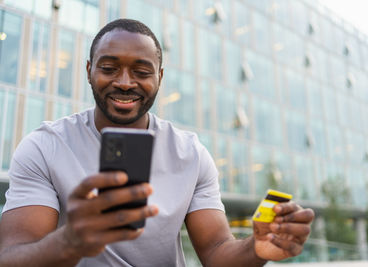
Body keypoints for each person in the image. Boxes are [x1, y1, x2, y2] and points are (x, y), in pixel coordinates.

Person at [0, 19, 314, 266]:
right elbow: (11, 256)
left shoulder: (191, 154)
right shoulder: (44, 147)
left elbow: (217, 252)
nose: (124, 82)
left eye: (141, 71)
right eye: (109, 68)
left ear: (160, 78)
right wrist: (69, 240)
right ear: (89, 70)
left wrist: (256, 249)